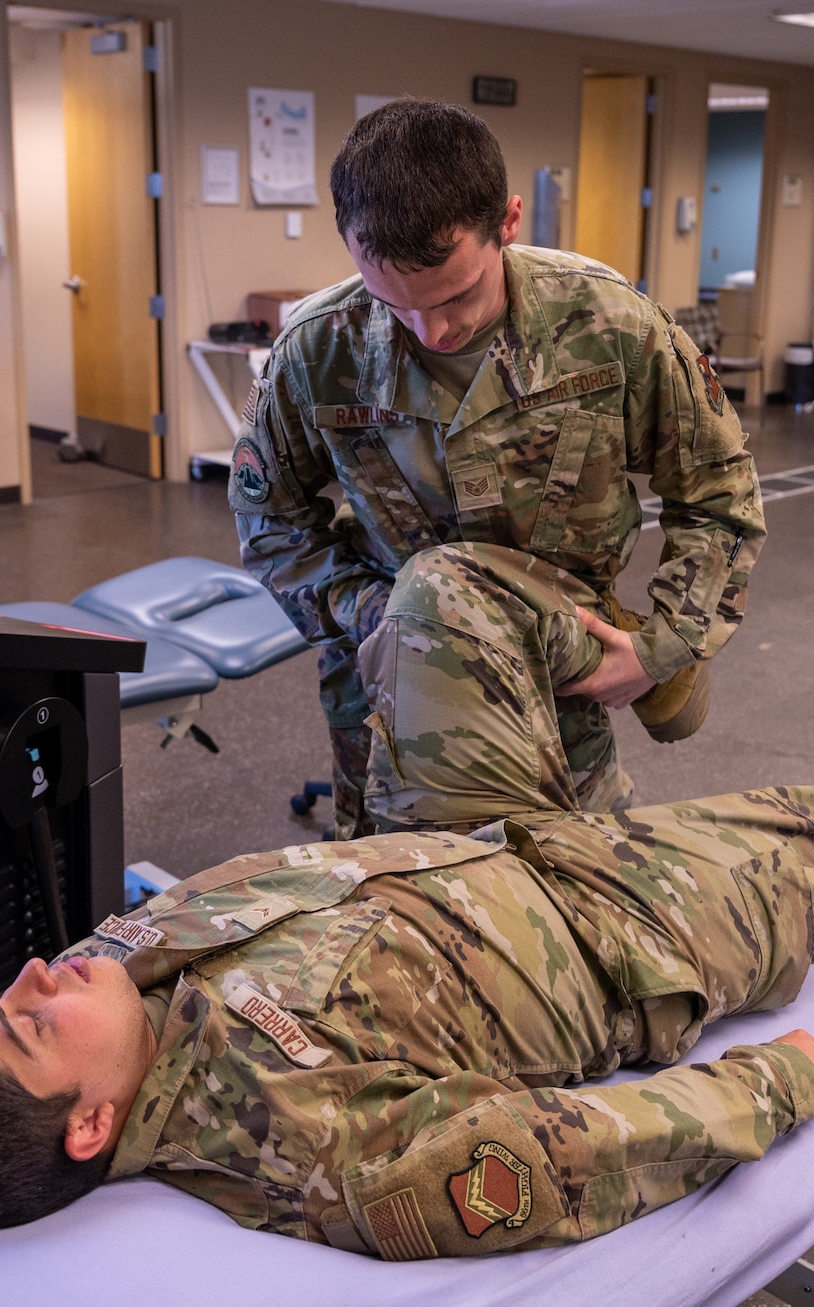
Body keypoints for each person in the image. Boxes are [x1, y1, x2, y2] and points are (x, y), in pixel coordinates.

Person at [0, 545, 814, 1255]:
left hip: (448, 841)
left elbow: (55, 1019)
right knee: (809, 834)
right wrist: (772, 1082)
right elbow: (570, 1160)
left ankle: (645, 652)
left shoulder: (107, 979)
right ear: (91, 1129)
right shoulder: (304, 1148)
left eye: (0, 994)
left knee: (442, 589)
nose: (33, 976)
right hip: (616, 934)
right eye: (25, 1025)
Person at [230, 98, 764, 838]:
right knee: (407, 905)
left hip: (564, 682)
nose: (433, 329)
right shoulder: (319, 349)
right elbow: (268, 520)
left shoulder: (609, 327)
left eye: (456, 295)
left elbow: (718, 494)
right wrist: (383, 617)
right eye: (396, 303)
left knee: (584, 892)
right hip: (392, 694)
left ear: (508, 223)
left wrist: (660, 646)